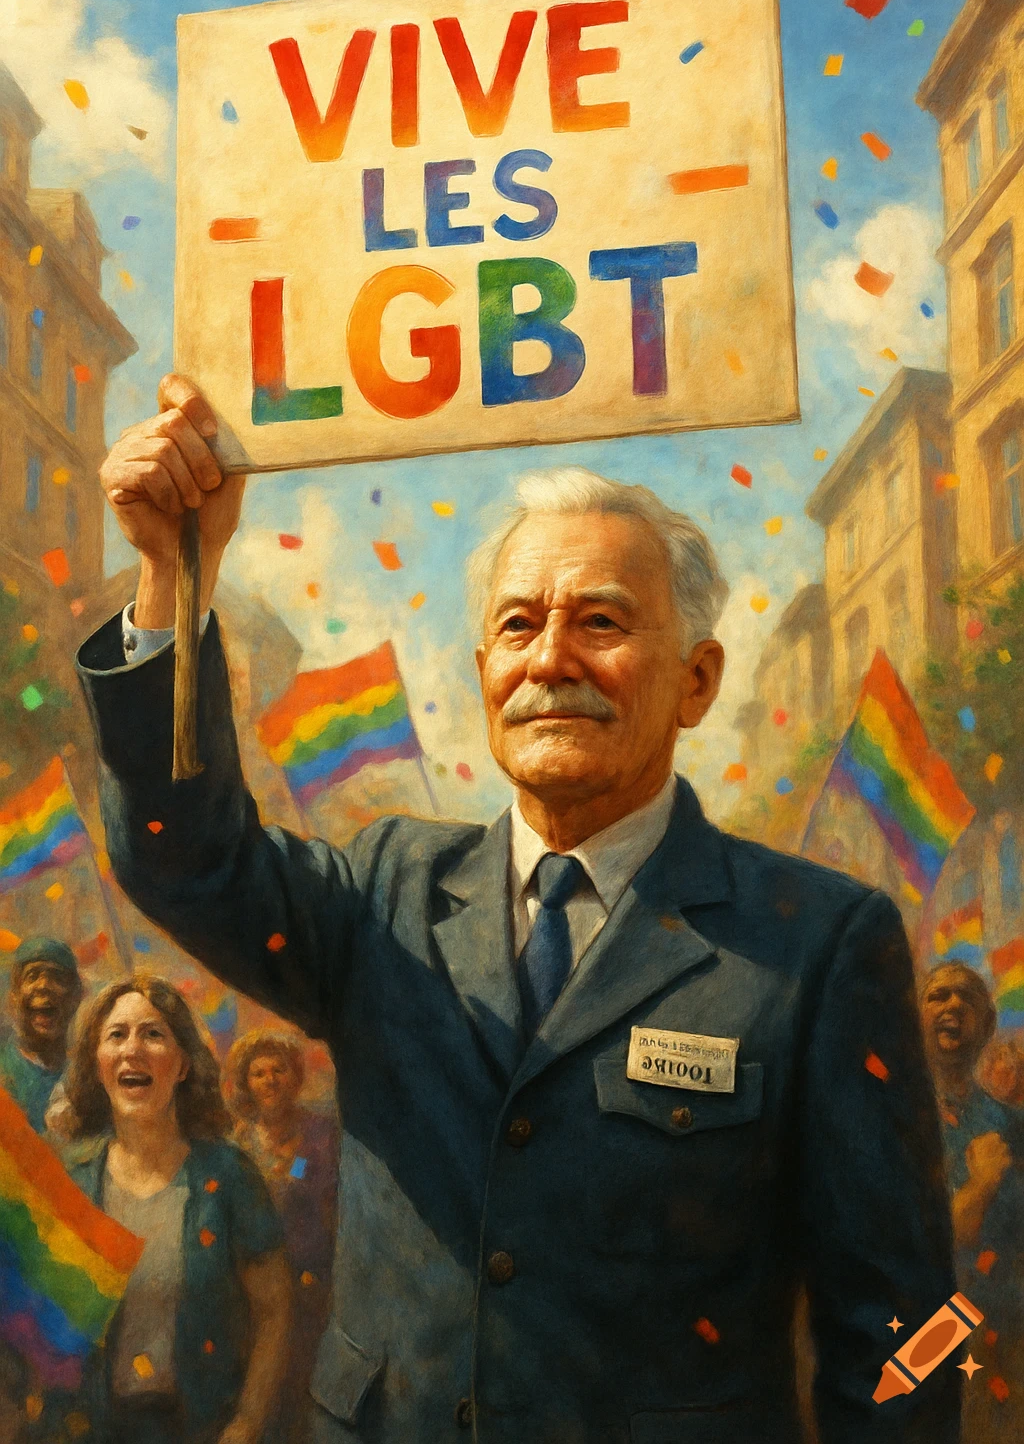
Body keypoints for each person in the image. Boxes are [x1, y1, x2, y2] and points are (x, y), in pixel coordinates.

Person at [75, 375, 958, 1444]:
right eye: (519, 625)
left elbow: (913, 1320)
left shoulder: (818, 942)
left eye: (601, 621)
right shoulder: (382, 895)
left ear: (695, 679)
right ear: (485, 670)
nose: (552, 659)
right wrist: (175, 570)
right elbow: (182, 859)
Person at [60, 975, 292, 1444]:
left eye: (153, 1034)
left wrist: (246, 1423)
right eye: (116, 1035)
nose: (132, 1050)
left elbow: (274, 1311)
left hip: (202, 1428)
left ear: (183, 1064)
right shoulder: (72, 1181)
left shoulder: (228, 1175)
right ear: (97, 1062)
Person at [919, 961, 1024, 1435]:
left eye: (968, 998)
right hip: (922, 1341)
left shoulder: (1013, 1126)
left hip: (1007, 1342)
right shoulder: (890, 1123)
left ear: (987, 1024)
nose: (954, 1005)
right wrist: (980, 1186)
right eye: (938, 996)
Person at [227, 1031, 339, 1443]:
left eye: (279, 1070)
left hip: (310, 1288)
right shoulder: (236, 1141)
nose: (269, 1080)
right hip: (252, 1294)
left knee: (301, 1401)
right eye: (258, 1073)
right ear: (246, 1082)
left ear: (295, 1078)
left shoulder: (322, 1135)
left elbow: (334, 1213)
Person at [0, 938, 82, 1133]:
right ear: (14, 997)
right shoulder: (3, 1072)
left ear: (75, 997)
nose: (44, 985)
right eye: (32, 976)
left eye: (58, 977)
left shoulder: (86, 1078)